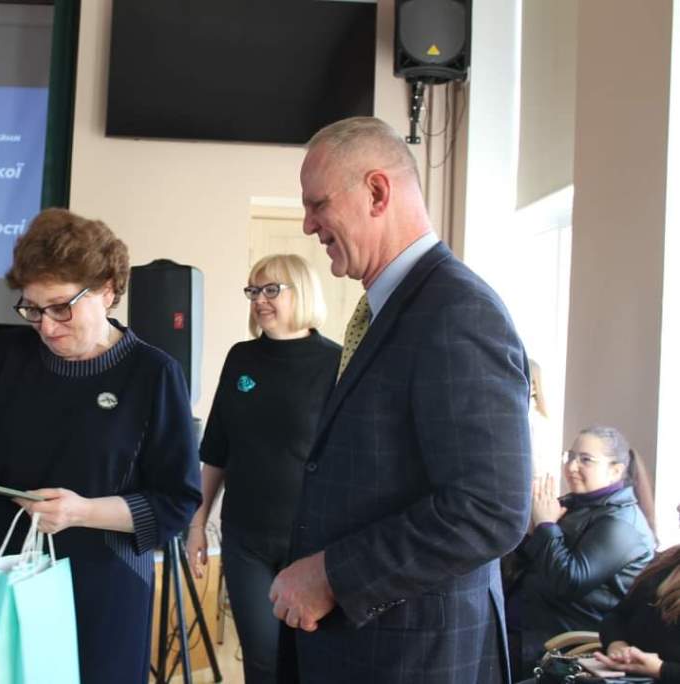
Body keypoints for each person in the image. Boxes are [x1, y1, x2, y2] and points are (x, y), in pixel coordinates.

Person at [268, 116, 532, 683]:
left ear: (377, 192)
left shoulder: (459, 312)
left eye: (317, 205)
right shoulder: (392, 308)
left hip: (413, 659)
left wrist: (332, 576)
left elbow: (490, 508)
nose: (308, 225)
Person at [0, 208, 202, 683]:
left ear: (108, 289)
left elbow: (176, 503)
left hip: (98, 590)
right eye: (32, 308)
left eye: (61, 306)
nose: (46, 326)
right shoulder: (8, 353)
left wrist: (81, 511)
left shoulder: (154, 374)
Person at [185, 254, 340, 684]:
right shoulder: (241, 358)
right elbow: (217, 449)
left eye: (272, 289)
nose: (259, 300)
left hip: (311, 541)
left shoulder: (336, 363)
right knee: (263, 659)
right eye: (254, 291)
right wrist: (197, 525)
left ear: (302, 292)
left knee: (308, 659)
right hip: (245, 538)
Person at [511, 426, 656, 673]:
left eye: (585, 460)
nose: (572, 466)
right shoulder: (574, 506)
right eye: (570, 456)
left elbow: (569, 581)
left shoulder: (622, 523)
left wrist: (546, 526)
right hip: (530, 623)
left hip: (564, 640)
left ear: (615, 470)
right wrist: (532, 531)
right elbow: (530, 565)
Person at [590, 501, 680, 682]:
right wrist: (617, 645)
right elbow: (617, 616)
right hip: (625, 676)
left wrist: (660, 669)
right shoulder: (665, 561)